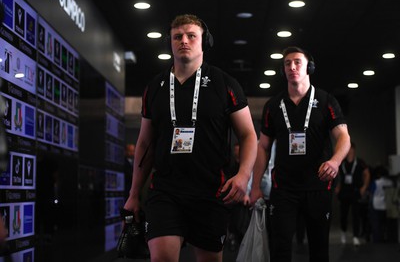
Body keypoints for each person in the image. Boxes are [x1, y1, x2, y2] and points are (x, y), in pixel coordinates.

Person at [123, 14, 257, 262]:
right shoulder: (155, 87)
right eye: (177, 37)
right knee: (161, 257)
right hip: (165, 191)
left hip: (210, 192)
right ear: (170, 43)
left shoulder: (224, 83)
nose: (184, 41)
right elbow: (143, 144)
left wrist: (244, 175)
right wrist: (133, 194)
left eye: (191, 35)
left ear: (204, 41)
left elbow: (248, 135)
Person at [249, 46, 351, 262]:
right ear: (283, 70)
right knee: (280, 249)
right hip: (283, 188)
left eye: (297, 62)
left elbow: (343, 137)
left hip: (318, 186)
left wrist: (334, 161)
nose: (292, 67)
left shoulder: (325, 101)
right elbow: (263, 147)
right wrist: (256, 186)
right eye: (287, 63)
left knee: (319, 249)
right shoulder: (273, 105)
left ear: (309, 67)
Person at [335, 141, 370, 246]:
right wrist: (337, 187)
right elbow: (336, 174)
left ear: (353, 150)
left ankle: (355, 236)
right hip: (344, 192)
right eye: (347, 149)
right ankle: (343, 233)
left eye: (351, 149)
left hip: (355, 192)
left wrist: (364, 187)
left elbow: (367, 174)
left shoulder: (359, 162)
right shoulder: (342, 162)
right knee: (343, 215)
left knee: (356, 215)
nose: (349, 151)